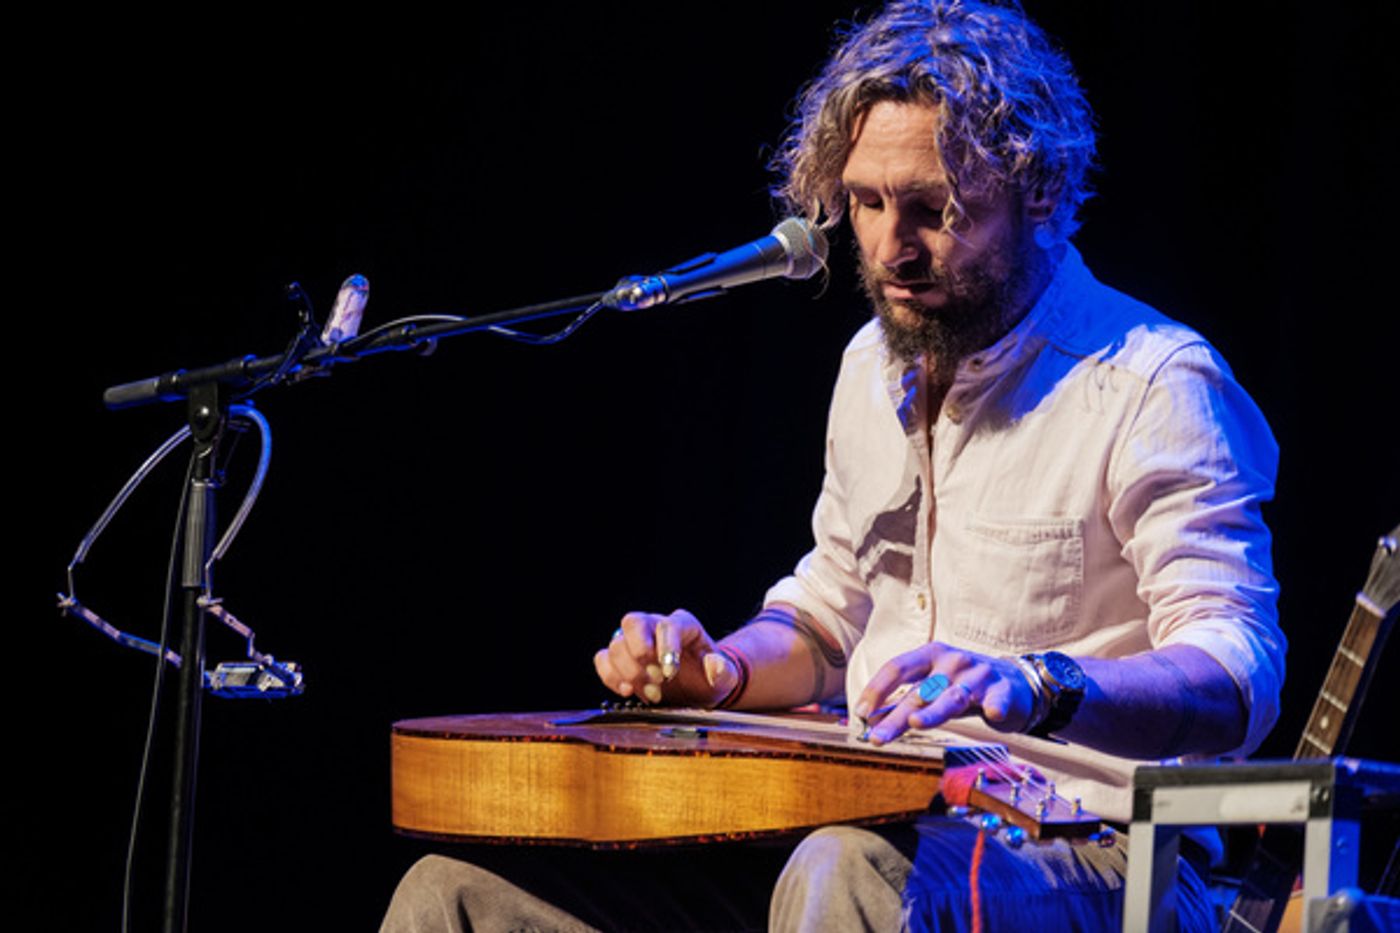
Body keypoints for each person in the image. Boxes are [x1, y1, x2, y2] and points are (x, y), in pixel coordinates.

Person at [382, 1, 1285, 930]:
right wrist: (719, 670)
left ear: (1041, 190)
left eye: (935, 209)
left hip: (1100, 854)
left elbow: (1237, 672)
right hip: (864, 826)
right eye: (865, 203)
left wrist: (1037, 685)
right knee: (451, 896)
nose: (891, 249)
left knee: (844, 871)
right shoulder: (871, 366)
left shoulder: (1153, 383)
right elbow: (829, 618)